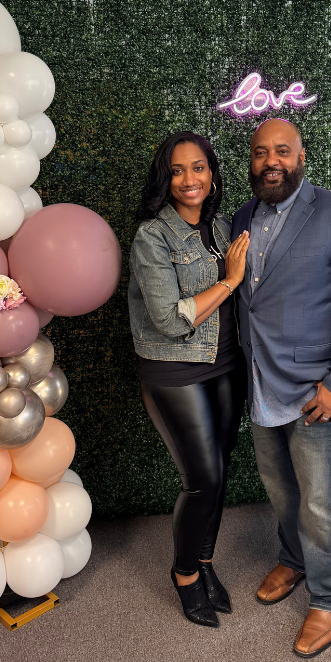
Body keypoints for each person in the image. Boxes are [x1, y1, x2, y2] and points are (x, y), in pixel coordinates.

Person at [234, 118, 331, 657]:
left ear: (301, 156)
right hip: (259, 382)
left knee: (320, 501)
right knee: (280, 491)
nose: (270, 161)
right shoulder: (242, 217)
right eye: (259, 153)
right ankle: (295, 561)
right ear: (250, 161)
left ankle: (329, 597)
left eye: (282, 151)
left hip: (314, 390)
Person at [127, 131, 251, 628]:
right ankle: (183, 575)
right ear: (165, 179)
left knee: (219, 473)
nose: (188, 179)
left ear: (212, 173)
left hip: (226, 366)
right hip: (175, 370)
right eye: (177, 171)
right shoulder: (151, 237)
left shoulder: (223, 228)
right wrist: (229, 281)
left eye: (197, 168)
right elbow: (170, 318)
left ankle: (204, 561)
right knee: (201, 479)